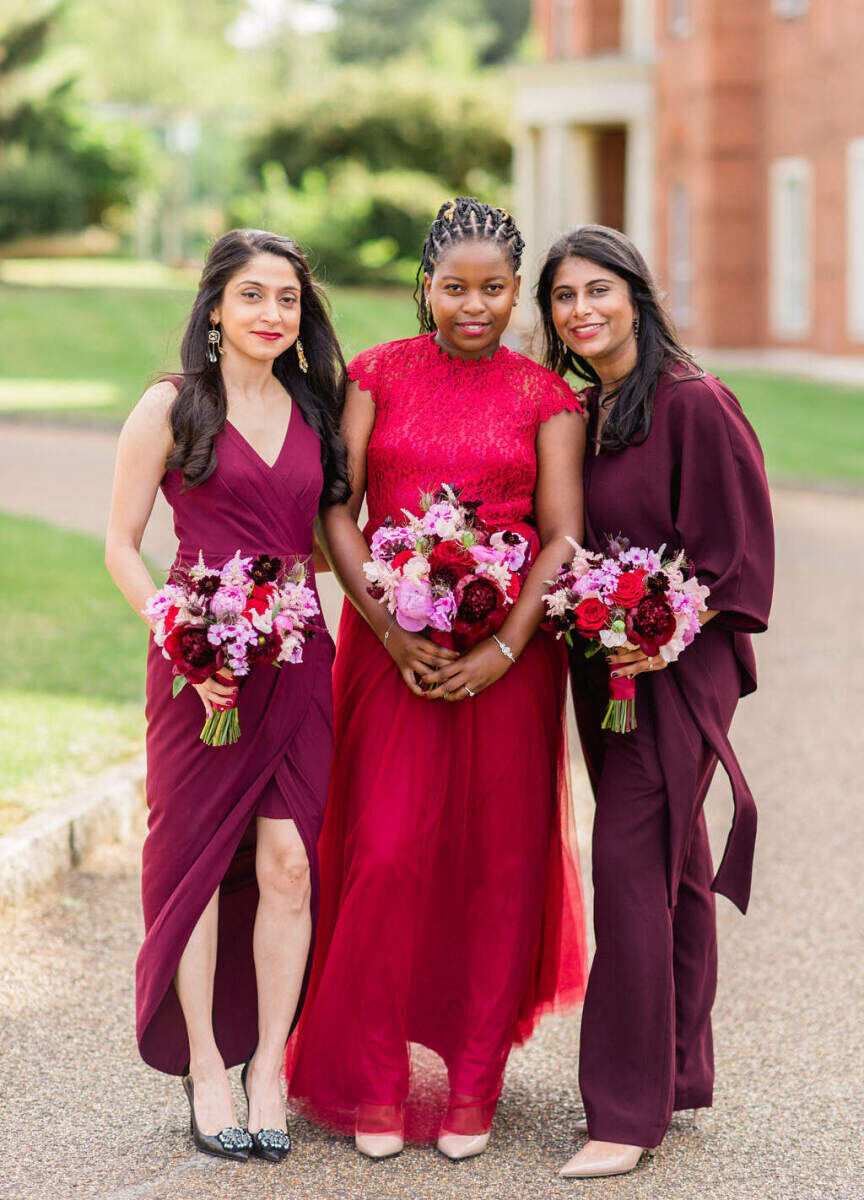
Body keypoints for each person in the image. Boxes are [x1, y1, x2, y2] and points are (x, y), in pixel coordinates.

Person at [286, 197, 588, 1161]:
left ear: (515, 294)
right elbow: (341, 511)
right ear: (426, 285)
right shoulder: (372, 375)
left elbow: (563, 533)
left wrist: (501, 648)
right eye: (454, 288)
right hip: (390, 650)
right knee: (384, 851)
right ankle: (373, 1080)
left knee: (499, 863)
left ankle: (472, 1084)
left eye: (493, 290)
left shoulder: (547, 397)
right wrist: (384, 620)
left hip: (512, 656)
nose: (473, 306)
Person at [535, 224, 774, 1179]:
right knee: (670, 868)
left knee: (629, 864)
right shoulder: (586, 411)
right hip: (604, 672)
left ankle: (623, 1115)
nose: (581, 311)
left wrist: (663, 630)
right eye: (563, 298)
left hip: (679, 671)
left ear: (636, 293)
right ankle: (676, 1071)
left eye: (599, 290)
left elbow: (738, 561)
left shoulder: (697, 403)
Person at [105, 229, 348, 1164]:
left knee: (290, 862)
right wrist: (183, 633)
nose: (271, 315)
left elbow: (323, 540)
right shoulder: (171, 407)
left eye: (287, 299)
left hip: (299, 658)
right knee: (199, 861)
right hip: (200, 662)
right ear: (214, 307)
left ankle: (270, 1068)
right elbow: (124, 544)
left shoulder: (316, 413)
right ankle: (208, 1062)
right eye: (252, 296)